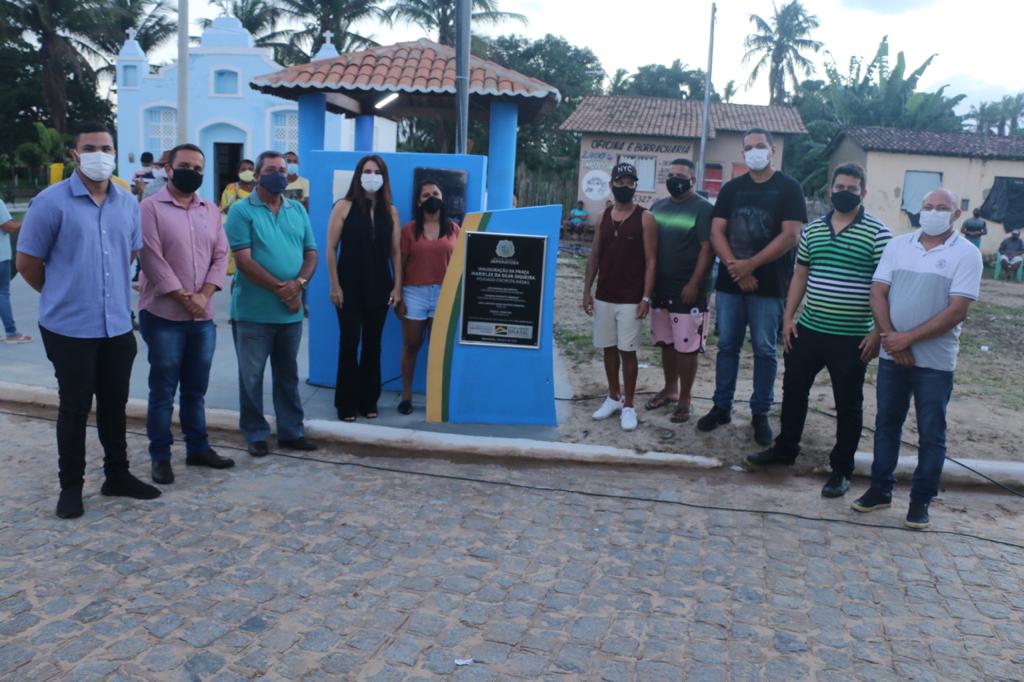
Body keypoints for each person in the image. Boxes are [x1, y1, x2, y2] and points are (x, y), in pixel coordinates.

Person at [16, 121, 162, 519]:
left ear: (115, 153)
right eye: (90, 148)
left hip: (116, 326)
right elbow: (27, 264)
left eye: (106, 148)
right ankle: (71, 486)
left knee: (115, 405)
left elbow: (130, 253)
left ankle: (118, 475)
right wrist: (62, 293)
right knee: (75, 408)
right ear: (75, 154)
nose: (100, 155)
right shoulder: (50, 202)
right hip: (69, 328)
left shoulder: (127, 203)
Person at [745, 164, 892, 498]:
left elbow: (885, 288)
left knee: (848, 404)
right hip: (809, 329)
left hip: (852, 336)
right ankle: (785, 449)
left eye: (852, 189)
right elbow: (800, 275)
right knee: (793, 392)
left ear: (863, 193)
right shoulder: (812, 231)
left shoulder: (879, 234)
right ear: (830, 190)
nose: (845, 193)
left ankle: (841, 469)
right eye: (840, 187)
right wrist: (788, 318)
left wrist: (877, 332)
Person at [851, 188, 982, 530]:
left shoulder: (967, 254)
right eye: (927, 207)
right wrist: (891, 339)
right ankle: (880, 489)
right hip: (892, 355)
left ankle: (920, 501)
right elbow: (878, 292)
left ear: (956, 214)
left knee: (931, 432)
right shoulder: (898, 246)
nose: (933, 212)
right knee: (886, 424)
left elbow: (957, 310)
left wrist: (906, 339)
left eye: (941, 208)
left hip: (935, 363)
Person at [697, 128, 808, 446]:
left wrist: (751, 265)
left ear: (772, 150)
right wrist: (737, 268)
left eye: (760, 146)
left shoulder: (789, 188)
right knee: (727, 347)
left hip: (770, 285)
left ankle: (760, 412)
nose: (754, 152)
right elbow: (717, 232)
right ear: (743, 153)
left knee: (764, 349)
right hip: (731, 284)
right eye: (748, 148)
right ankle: (722, 406)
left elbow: (790, 236)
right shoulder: (732, 188)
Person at [138, 143, 233, 485]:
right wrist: (183, 297)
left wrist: (203, 296)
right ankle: (160, 456)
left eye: (197, 168)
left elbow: (221, 255)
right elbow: (151, 258)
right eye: (185, 166)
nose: (191, 172)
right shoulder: (150, 208)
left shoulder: (210, 210)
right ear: (168, 168)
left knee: (195, 389)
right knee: (163, 391)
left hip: (202, 318)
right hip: (164, 316)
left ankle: (198, 448)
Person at [225, 150, 319, 456]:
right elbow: (243, 260)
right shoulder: (241, 211)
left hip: (290, 314)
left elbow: (311, 253)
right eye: (271, 170)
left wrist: (299, 285)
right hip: (253, 313)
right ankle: (255, 433)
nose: (279, 174)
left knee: (287, 375)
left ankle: (292, 431)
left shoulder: (297, 210)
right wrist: (284, 290)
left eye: (282, 169)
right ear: (257, 175)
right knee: (251, 378)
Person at [582, 162, 658, 432]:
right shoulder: (603, 216)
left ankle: (629, 405)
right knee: (608, 348)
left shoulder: (645, 218)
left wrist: (646, 297)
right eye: (620, 182)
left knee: (628, 352)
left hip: (631, 298)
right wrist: (587, 291)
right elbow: (594, 255)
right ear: (612, 184)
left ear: (635, 186)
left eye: (630, 182)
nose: (625, 186)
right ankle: (613, 397)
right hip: (604, 294)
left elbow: (651, 261)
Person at [326, 155, 402, 421]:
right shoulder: (343, 206)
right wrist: (334, 285)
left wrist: (397, 286)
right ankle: (346, 403)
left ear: (384, 177)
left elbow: (395, 252)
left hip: (380, 287)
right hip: (348, 287)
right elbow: (331, 248)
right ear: (359, 175)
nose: (372, 176)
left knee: (373, 345)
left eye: (377, 172)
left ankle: (369, 400)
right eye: (367, 171)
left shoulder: (391, 211)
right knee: (349, 343)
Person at [645, 159, 714, 423]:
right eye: (671, 175)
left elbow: (707, 249)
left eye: (681, 176)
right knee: (667, 342)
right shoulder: (658, 207)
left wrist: (694, 284)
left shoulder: (703, 209)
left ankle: (685, 399)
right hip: (661, 288)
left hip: (688, 291)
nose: (675, 180)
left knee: (687, 347)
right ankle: (670, 389)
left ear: (693, 180)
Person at [396, 179, 459, 415]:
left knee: (438, 348)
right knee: (412, 345)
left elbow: (460, 264)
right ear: (418, 202)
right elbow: (400, 264)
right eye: (426, 195)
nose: (431, 197)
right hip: (414, 293)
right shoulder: (409, 230)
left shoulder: (454, 229)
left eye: (435, 193)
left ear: (442, 198)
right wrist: (398, 294)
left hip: (444, 293)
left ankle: (436, 398)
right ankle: (406, 395)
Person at [1, 198, 30, 343]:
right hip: (1, 257)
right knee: (2, 292)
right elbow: (9, 227)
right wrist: (27, 223)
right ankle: (11, 333)